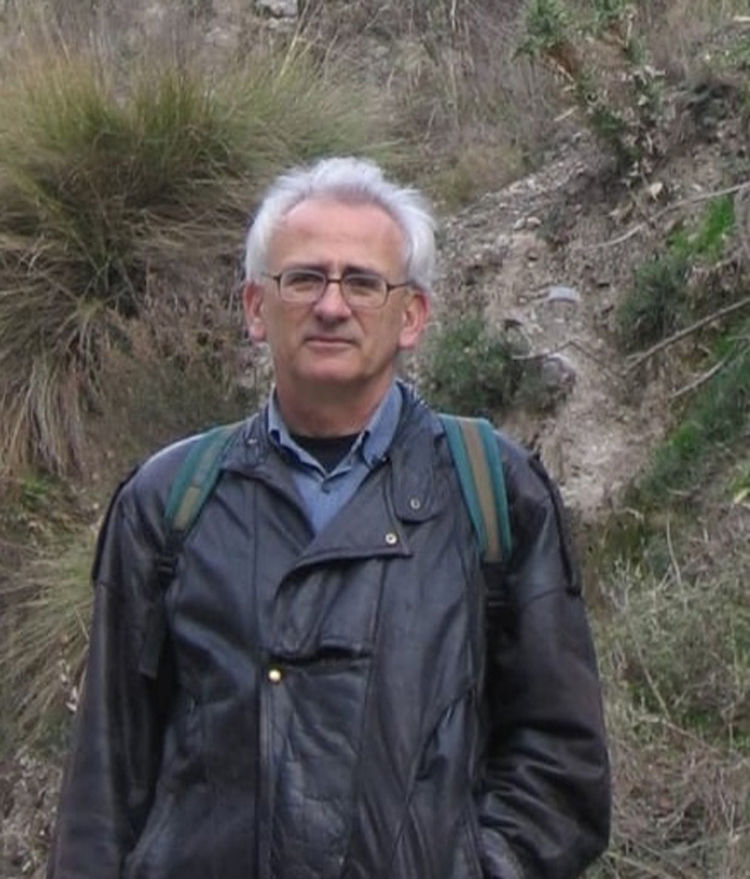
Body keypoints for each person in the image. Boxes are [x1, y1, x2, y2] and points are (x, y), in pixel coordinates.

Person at [48, 157, 610, 879]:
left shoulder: (495, 491)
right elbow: (103, 782)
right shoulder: (168, 500)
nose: (332, 306)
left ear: (412, 316)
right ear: (257, 306)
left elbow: (561, 767)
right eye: (305, 278)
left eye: (363, 282)